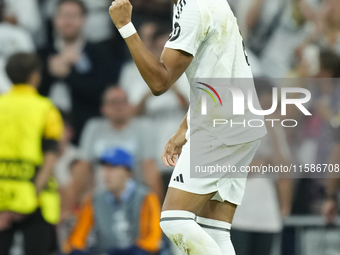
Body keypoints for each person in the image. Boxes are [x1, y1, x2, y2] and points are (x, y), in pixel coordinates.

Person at [109, 0, 267, 254]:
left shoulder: (192, 7)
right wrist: (186, 125)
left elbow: (160, 83)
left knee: (175, 221)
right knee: (214, 230)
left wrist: (126, 26)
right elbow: (217, 73)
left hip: (221, 125)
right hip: (241, 120)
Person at [0, 53, 63, 255]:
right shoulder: (46, 109)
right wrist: (26, 200)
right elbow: (50, 158)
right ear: (35, 76)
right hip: (37, 200)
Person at [38, 0, 121, 144]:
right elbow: (36, 92)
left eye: (73, 16)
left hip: (87, 129)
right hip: (46, 128)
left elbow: (101, 92)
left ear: (84, 19)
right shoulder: (43, 54)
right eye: (63, 15)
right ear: (54, 19)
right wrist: (51, 72)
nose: (68, 21)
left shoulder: (99, 53)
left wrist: (68, 75)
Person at [71, 86, 163, 207]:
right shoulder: (94, 127)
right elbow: (84, 166)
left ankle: (157, 212)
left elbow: (149, 166)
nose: (119, 106)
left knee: (150, 166)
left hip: (135, 193)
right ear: (103, 108)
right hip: (100, 192)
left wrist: (157, 206)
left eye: (123, 101)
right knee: (79, 167)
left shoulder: (143, 127)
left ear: (130, 105)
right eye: (113, 102)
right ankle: (70, 211)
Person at [63, 147, 162, 255]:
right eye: (105, 167)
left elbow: (153, 241)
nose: (107, 173)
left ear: (128, 172)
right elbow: (76, 240)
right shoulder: (94, 200)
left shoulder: (146, 197)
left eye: (113, 167)